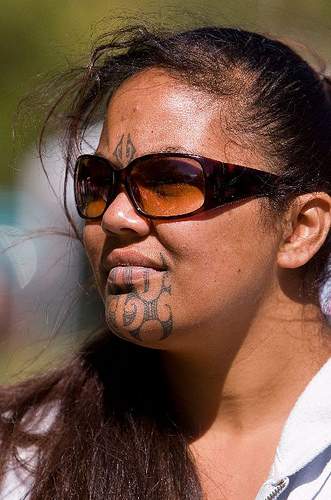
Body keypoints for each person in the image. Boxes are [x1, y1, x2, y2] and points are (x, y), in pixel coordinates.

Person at [1, 24, 331, 500]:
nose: (114, 216)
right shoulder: (23, 458)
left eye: (170, 181)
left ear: (301, 227)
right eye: (98, 181)